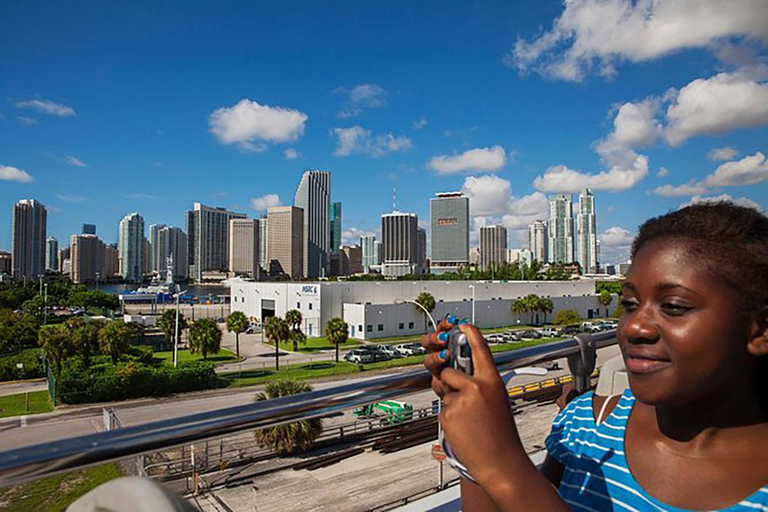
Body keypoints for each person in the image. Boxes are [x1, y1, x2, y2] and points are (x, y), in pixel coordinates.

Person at [423, 202, 768, 511]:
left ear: (760, 329)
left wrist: (505, 466)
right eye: (630, 304)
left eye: (674, 306)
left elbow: (517, 490)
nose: (634, 327)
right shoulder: (586, 423)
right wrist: (472, 449)